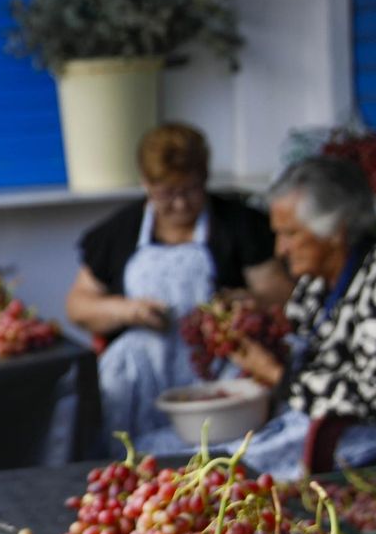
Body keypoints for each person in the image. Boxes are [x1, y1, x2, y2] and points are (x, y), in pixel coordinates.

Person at [163, 156, 376, 475]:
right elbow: (299, 345)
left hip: (363, 432)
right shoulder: (318, 279)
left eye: (290, 234)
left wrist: (278, 375)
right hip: (307, 416)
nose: (280, 250)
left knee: (217, 470)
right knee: (180, 451)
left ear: (336, 232)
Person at [67, 123, 291, 442]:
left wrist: (248, 301)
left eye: (191, 190)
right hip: (138, 376)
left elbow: (280, 292)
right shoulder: (118, 233)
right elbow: (78, 305)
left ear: (205, 177)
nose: (181, 204)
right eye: (168, 194)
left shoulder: (241, 225)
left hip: (220, 368)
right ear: (146, 183)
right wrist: (126, 311)